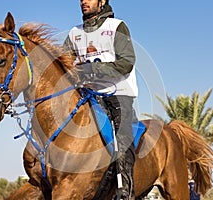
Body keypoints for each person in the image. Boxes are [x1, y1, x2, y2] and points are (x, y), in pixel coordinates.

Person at [64, 0, 138, 199]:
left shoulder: (116, 27)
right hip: (88, 94)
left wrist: (91, 69)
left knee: (122, 135)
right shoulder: (74, 33)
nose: (83, 2)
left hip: (118, 92)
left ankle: (126, 190)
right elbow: (64, 64)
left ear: (102, 1)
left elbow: (126, 62)